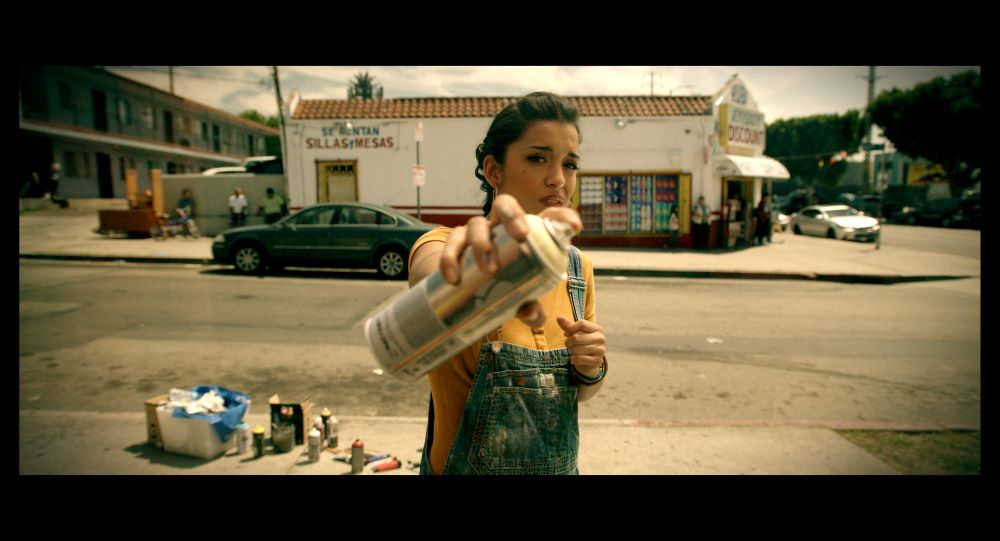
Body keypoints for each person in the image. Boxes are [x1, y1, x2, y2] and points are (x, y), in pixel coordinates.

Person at [407, 92, 607, 475]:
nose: (558, 179)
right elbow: (427, 286)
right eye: (537, 158)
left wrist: (592, 366)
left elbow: (581, 393)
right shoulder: (447, 244)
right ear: (494, 171)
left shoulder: (579, 269)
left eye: (570, 164)